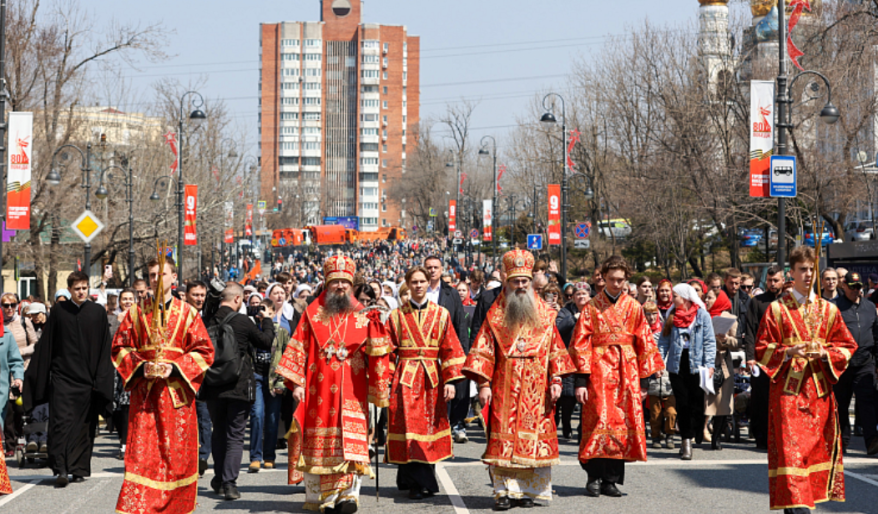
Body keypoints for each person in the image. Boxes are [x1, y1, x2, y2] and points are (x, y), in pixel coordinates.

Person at [275, 255, 392, 513]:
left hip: (353, 390)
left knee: (351, 441)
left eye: (344, 282)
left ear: (351, 285)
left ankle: (348, 496)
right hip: (318, 390)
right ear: (327, 284)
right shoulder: (312, 313)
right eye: (335, 281)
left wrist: (377, 330)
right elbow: (298, 348)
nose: (340, 286)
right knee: (321, 443)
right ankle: (325, 497)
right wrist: (296, 383)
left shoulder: (364, 316)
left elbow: (378, 354)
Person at [463, 250, 575, 509]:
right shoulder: (495, 315)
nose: (521, 286)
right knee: (504, 439)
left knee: (534, 438)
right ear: (508, 281)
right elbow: (484, 351)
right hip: (505, 385)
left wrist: (556, 380)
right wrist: (483, 385)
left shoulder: (546, 314)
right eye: (516, 281)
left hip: (538, 388)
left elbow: (555, 349)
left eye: (525, 281)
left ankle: (528, 492)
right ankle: (503, 491)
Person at [755, 245, 857, 513]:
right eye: (803, 269)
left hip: (819, 394)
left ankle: (799, 506)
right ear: (792, 272)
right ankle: (799, 508)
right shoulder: (776, 309)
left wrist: (825, 353)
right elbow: (762, 349)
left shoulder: (829, 310)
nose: (808, 274)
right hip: (787, 395)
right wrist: (789, 352)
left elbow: (848, 346)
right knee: (791, 453)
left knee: (812, 454)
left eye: (812, 269)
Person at [112, 257, 215, 513]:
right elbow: (119, 348)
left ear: (174, 278)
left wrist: (176, 367)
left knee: (176, 458)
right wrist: (141, 366)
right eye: (152, 275)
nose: (156, 280)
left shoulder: (189, 313)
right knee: (142, 457)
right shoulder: (135, 313)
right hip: (145, 397)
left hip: (176, 397)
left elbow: (205, 351)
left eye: (162, 274)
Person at [570, 255, 664, 497]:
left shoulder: (634, 307)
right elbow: (580, 344)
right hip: (598, 372)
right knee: (597, 422)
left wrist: (644, 382)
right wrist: (580, 381)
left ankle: (611, 480)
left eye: (620, 280)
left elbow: (644, 343)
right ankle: (593, 476)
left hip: (627, 372)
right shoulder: (591, 307)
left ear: (626, 279)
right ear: (603, 277)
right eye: (611, 279)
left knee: (621, 423)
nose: (616, 284)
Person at [23, 271, 114, 487]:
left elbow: (104, 347)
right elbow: (47, 344)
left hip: (88, 380)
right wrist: (36, 376)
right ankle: (61, 469)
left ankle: (78, 468)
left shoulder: (97, 312)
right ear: (70, 290)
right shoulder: (59, 311)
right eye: (77, 289)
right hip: (62, 378)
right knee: (60, 424)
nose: (81, 292)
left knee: (84, 427)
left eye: (84, 288)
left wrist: (101, 379)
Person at [386, 266, 466, 500]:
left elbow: (451, 348)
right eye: (414, 282)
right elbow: (388, 352)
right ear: (408, 285)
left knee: (429, 428)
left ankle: (423, 480)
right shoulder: (396, 316)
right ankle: (414, 482)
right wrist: (386, 381)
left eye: (422, 281)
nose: (419, 285)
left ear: (427, 283)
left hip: (432, 379)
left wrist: (451, 381)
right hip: (405, 378)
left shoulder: (441, 314)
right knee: (408, 428)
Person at [200, 281, 275, 500]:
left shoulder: (207, 320)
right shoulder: (243, 321)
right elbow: (265, 341)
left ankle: (219, 478)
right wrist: (266, 320)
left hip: (213, 385)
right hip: (239, 385)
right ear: (237, 299)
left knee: (218, 432)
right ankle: (229, 483)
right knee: (235, 435)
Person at [657, 283, 716, 461]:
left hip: (697, 364)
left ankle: (694, 431)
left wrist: (710, 364)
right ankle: (686, 441)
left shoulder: (702, 315)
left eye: (675, 296)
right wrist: (659, 363)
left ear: (684, 297)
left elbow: (709, 341)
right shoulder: (671, 315)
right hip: (677, 364)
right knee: (682, 403)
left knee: (696, 404)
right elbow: (663, 342)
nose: (672, 299)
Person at [830, 271, 878, 455]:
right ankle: (842, 442)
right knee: (841, 404)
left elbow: (875, 333)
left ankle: (872, 441)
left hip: (865, 360)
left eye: (858, 287)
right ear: (844, 286)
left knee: (867, 402)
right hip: (842, 362)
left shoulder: (869, 306)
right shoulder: (835, 307)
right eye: (852, 287)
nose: (855, 290)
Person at [423, 255, 469, 443]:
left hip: (447, 349)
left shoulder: (451, 294)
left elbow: (460, 325)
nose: (432, 270)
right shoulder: (418, 290)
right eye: (429, 267)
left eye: (436, 267)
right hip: (424, 350)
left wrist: (463, 354)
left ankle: (450, 427)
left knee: (449, 391)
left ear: (442, 270)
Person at [248, 284, 290, 473]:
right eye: (260, 311)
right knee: (257, 415)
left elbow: (287, 358)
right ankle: (255, 457)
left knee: (272, 419)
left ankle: (269, 456)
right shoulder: (252, 330)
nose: (263, 314)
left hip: (274, 378)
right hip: (256, 376)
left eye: (267, 311)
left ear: (273, 312)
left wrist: (282, 382)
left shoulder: (281, 333)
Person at [743, 265, 784, 450]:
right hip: (761, 358)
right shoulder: (757, 302)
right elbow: (750, 331)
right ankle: (760, 436)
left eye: (776, 280)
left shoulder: (788, 301)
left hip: (783, 358)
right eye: (769, 280)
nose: (772, 284)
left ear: (783, 280)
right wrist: (750, 357)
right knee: (761, 399)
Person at [554, 282, 590, 440]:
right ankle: (566, 424)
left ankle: (583, 431)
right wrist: (574, 318)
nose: (581, 297)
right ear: (573, 297)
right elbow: (558, 329)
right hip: (569, 358)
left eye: (584, 294)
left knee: (586, 398)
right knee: (568, 397)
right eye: (578, 294)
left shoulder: (594, 310)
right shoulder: (565, 311)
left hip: (588, 359)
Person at [704, 287, 738, 451]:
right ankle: (699, 432)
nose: (706, 301)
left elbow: (737, 343)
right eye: (706, 298)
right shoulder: (702, 315)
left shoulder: (729, 318)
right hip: (703, 361)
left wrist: (725, 339)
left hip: (722, 362)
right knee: (703, 401)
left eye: (710, 298)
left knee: (721, 403)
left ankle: (716, 437)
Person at [184, 280, 213, 476]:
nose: (199, 299)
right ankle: (187, 456)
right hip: (184, 374)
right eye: (195, 295)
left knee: (204, 418)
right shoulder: (180, 316)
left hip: (205, 376)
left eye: (202, 295)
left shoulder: (210, 318)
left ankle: (202, 457)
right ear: (187, 295)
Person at [643, 301, 676, 449]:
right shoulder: (641, 331)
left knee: (671, 411)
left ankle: (670, 435)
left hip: (668, 375)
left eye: (654, 314)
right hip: (651, 377)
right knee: (654, 413)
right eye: (648, 314)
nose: (651, 317)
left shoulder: (665, 331)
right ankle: (655, 436)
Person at [109, 289, 136, 460]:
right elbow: (110, 340)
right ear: (119, 302)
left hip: (133, 366)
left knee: (128, 404)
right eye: (124, 299)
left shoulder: (140, 318)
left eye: (130, 299)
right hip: (116, 366)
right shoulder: (112, 319)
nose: (127, 302)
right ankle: (122, 437)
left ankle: (127, 443)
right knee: (116, 406)